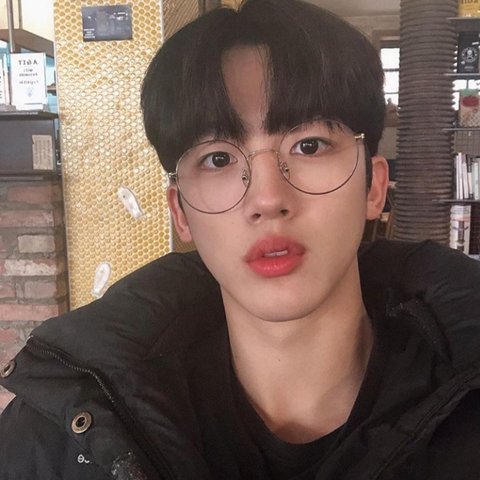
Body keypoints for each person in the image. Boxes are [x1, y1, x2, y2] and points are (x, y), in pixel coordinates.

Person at [1, 0, 480, 479]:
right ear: (180, 211)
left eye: (308, 145)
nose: (267, 199)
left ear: (373, 187)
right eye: (218, 159)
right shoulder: (60, 436)